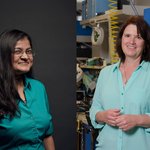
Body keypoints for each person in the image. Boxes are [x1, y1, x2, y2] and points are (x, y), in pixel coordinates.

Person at [89, 16, 150, 150]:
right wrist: (103, 116)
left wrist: (137, 120)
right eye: (127, 35)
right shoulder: (105, 73)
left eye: (138, 37)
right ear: (121, 39)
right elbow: (94, 110)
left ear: (145, 43)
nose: (131, 41)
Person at [0, 29, 55, 150]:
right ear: (4, 55)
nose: (25, 57)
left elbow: (47, 135)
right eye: (18, 51)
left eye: (29, 51)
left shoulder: (38, 88)